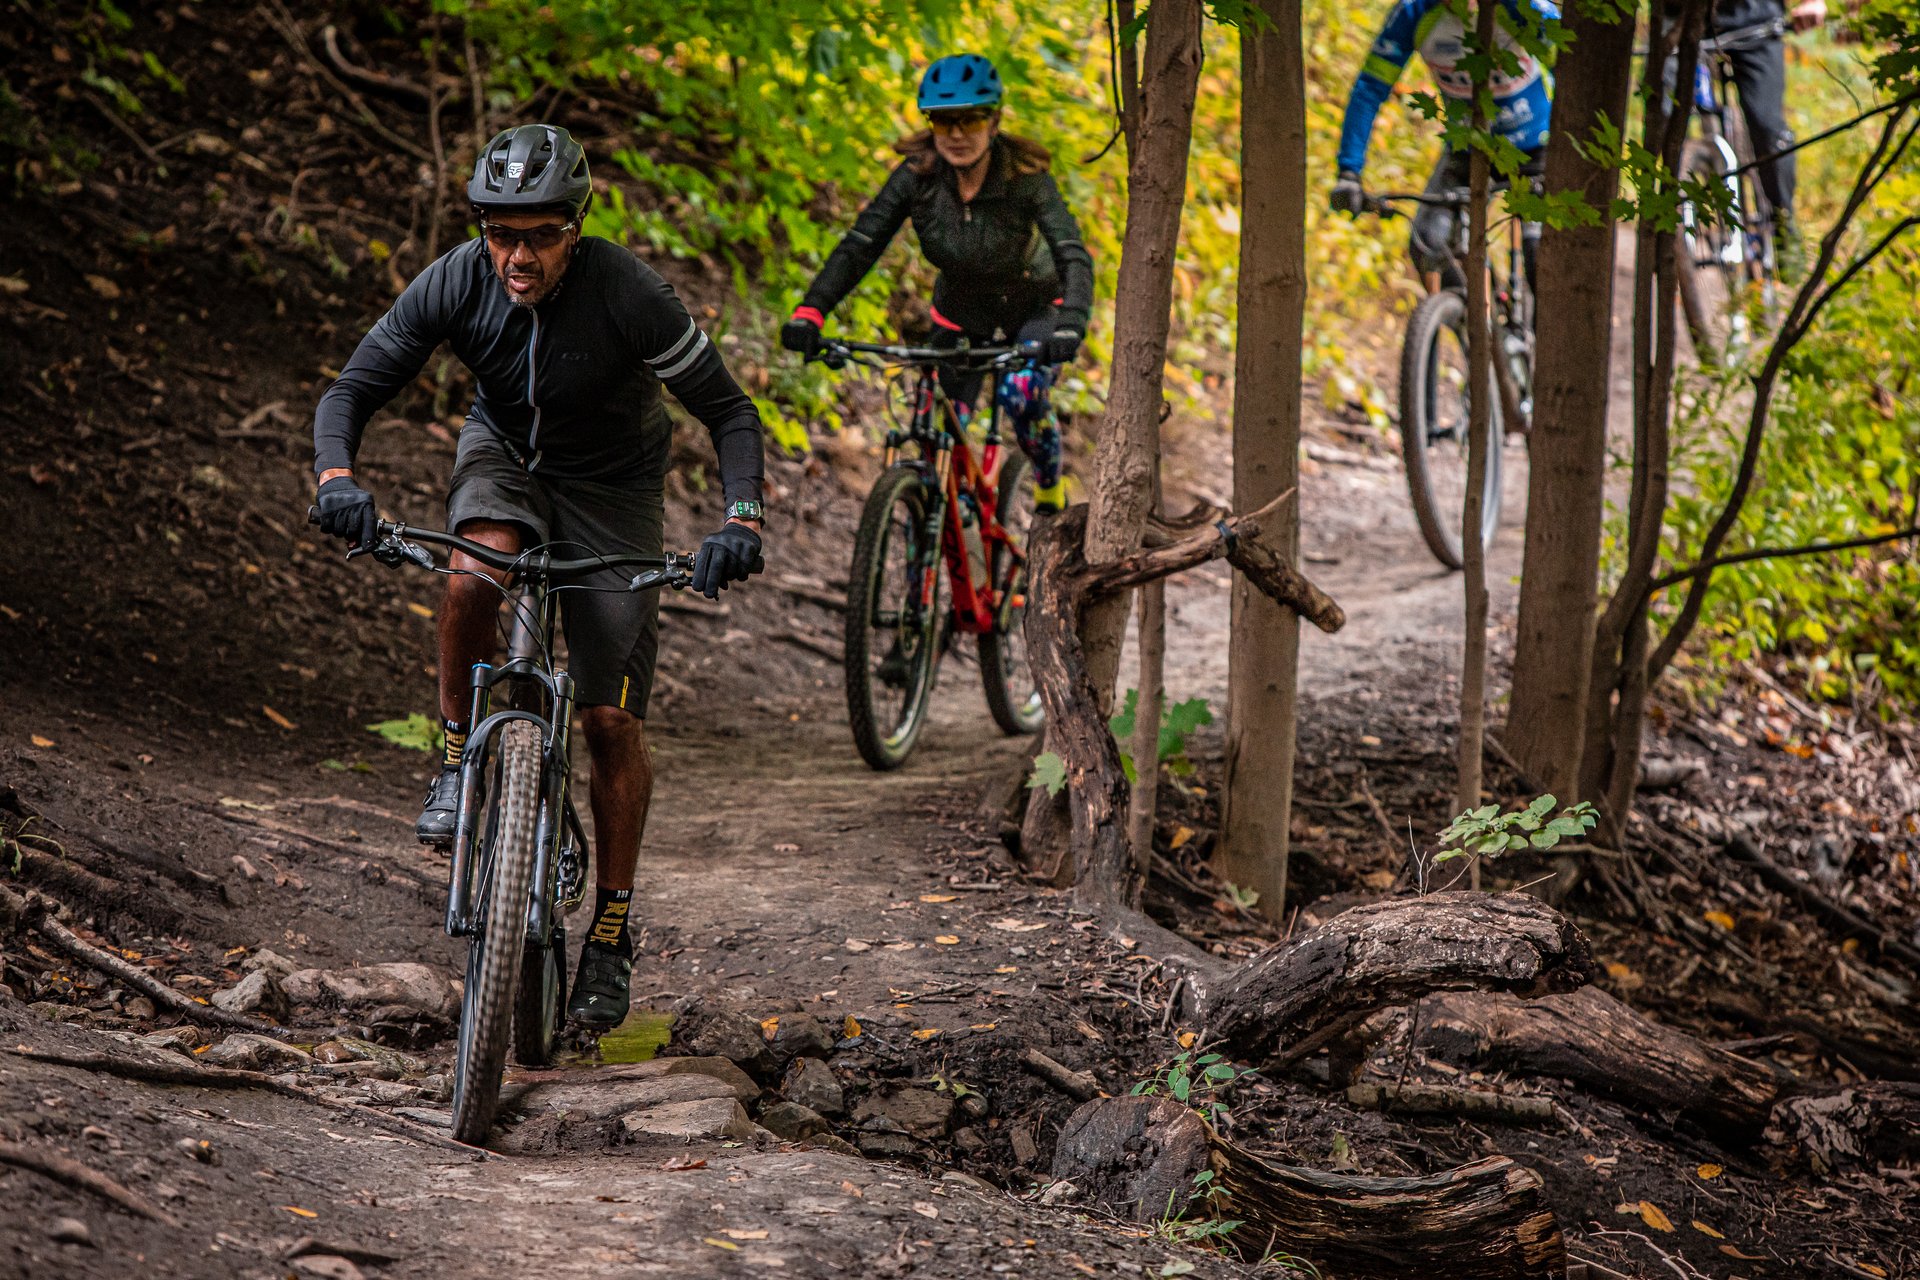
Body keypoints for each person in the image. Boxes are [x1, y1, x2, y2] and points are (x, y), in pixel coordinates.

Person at [310, 124, 765, 1030]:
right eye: (500, 233)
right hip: (506, 456)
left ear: (575, 228)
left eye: (540, 235)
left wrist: (740, 519)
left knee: (607, 717)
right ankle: (454, 761)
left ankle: (611, 931)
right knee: (473, 575)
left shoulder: (628, 292)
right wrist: (337, 480)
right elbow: (350, 391)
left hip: (615, 484)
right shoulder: (457, 278)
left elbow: (728, 411)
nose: (517, 256)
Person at [780, 53, 1094, 513]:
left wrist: (1071, 323)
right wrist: (811, 310)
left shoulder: (1027, 180)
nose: (958, 134)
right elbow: (861, 245)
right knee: (940, 436)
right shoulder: (917, 178)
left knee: (1021, 390)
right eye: (944, 121)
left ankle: (1048, 484)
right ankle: (928, 548)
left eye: (970, 120)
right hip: (962, 310)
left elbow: (1072, 253)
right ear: (931, 124)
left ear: (995, 119)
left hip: (1034, 309)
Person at [1329, 0, 1559, 293]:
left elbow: (1571, 67)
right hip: (1468, 148)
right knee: (1427, 244)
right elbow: (1369, 89)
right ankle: (1476, 319)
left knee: (1541, 256)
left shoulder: (1520, 7)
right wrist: (1348, 172)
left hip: (1537, 146)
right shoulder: (1414, 13)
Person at [1703, 0, 1828, 272]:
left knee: (1767, 127)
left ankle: (1783, 222)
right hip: (1680, 24)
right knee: (1663, 114)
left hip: (1755, 19)